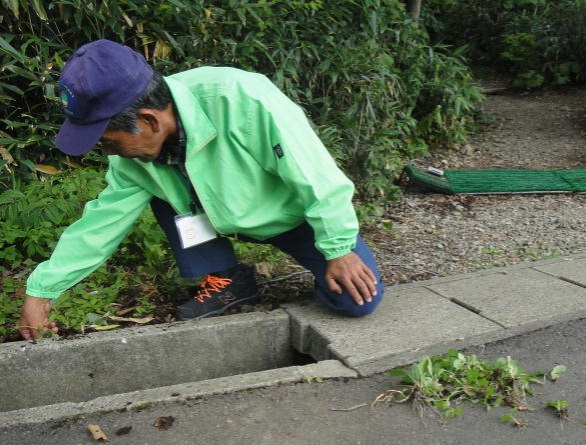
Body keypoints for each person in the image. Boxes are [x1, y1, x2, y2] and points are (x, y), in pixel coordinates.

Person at [18, 39, 384, 341]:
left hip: (291, 216)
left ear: (148, 120)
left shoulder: (241, 98)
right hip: (213, 215)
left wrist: (337, 247)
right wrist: (42, 289)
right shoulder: (133, 156)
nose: (108, 152)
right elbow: (103, 221)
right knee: (157, 188)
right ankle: (227, 278)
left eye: (107, 141)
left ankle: (320, 264)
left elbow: (314, 173)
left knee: (357, 302)